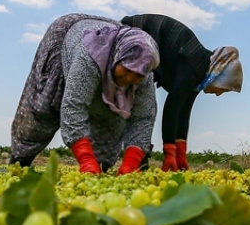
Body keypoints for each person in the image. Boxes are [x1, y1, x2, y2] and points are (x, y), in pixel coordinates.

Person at [10, 14, 160, 174]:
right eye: (128, 69)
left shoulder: (145, 68)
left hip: (118, 40)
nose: (130, 78)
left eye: (138, 75)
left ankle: (102, 167)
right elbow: (74, 106)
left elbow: (143, 117)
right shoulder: (89, 57)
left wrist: (131, 162)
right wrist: (86, 159)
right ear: (118, 58)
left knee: (112, 120)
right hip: (67, 37)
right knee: (45, 105)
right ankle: (20, 161)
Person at [120, 13, 242, 171]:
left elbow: (183, 113)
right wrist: (170, 153)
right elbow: (172, 109)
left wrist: (181, 154)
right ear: (218, 78)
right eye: (223, 89)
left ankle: (138, 158)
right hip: (134, 36)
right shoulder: (194, 66)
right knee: (144, 106)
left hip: (148, 51)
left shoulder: (200, 75)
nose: (219, 94)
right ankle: (133, 159)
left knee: (147, 104)